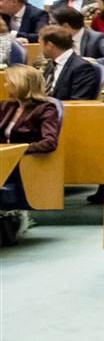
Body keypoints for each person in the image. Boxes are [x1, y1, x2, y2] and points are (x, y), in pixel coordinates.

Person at [0, 64, 60, 235]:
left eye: (8, 82)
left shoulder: (45, 109)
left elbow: (49, 143)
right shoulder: (6, 107)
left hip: (22, 165)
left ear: (21, 84)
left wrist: (17, 150)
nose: (5, 86)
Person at [36, 26, 102, 101]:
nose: (40, 48)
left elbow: (78, 101)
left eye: (40, 44)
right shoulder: (50, 64)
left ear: (50, 45)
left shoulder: (81, 68)